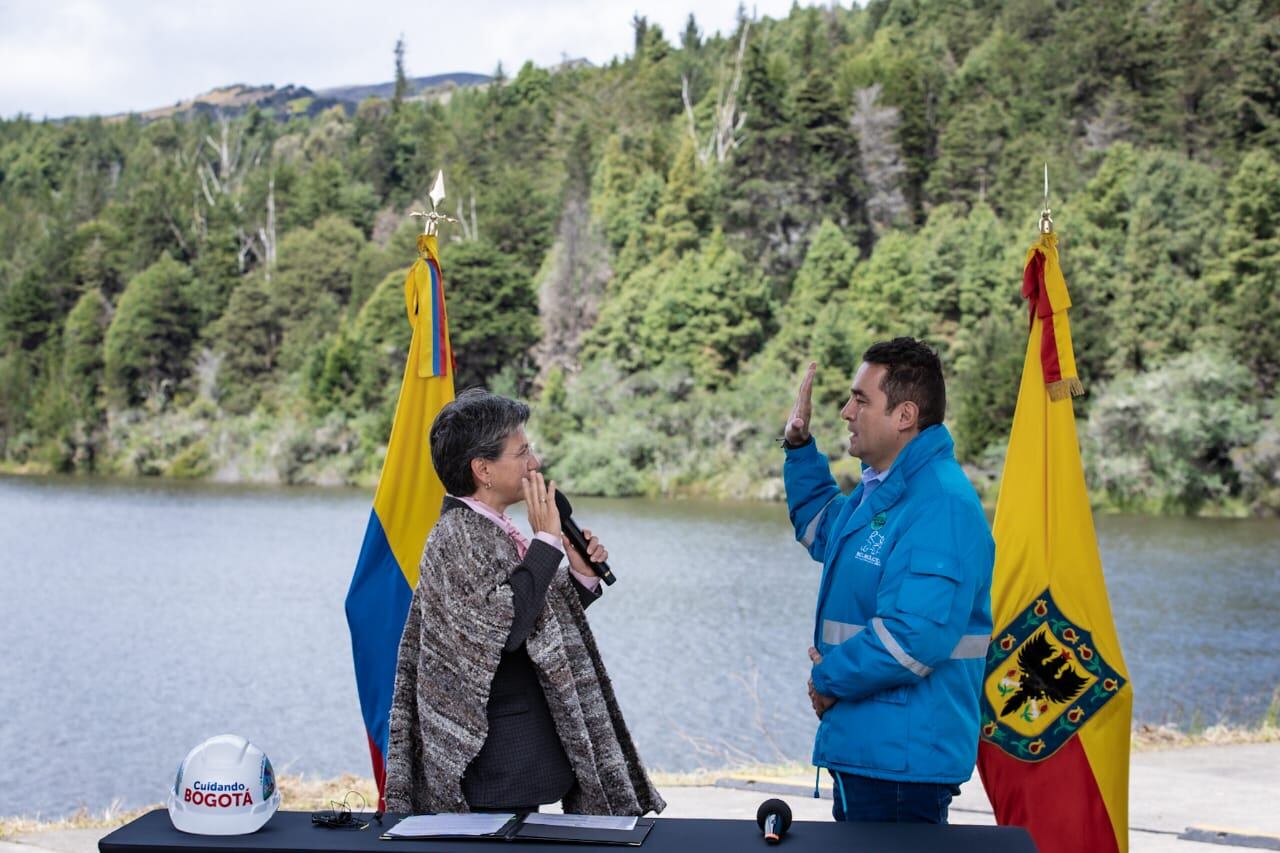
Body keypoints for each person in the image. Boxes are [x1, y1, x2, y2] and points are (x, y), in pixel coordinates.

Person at [384, 388, 664, 817]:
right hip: (491, 759)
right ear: (483, 470)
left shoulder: (492, 530)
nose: (534, 463)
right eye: (522, 451)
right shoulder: (456, 537)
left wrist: (580, 576)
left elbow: (531, 617)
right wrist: (547, 540)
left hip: (522, 750)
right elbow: (506, 630)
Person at [781, 337, 993, 824]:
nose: (845, 412)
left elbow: (911, 637)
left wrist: (827, 678)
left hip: (903, 764)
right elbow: (822, 530)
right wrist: (798, 447)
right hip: (874, 751)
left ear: (905, 416)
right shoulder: (883, 490)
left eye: (860, 399)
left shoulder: (938, 503)